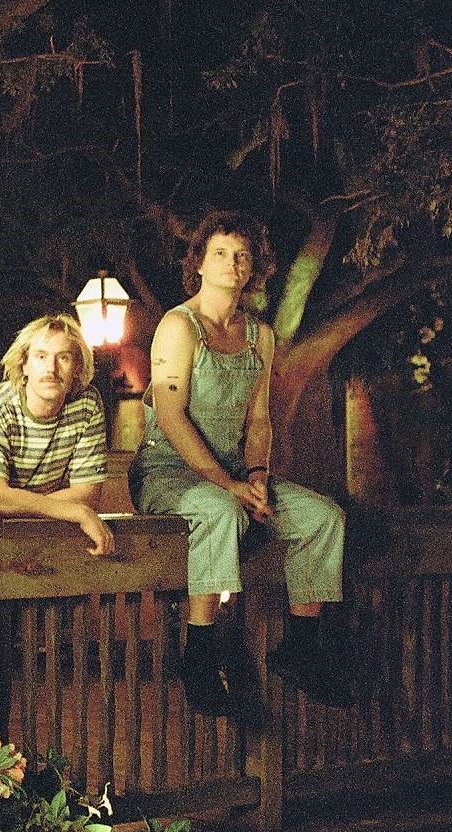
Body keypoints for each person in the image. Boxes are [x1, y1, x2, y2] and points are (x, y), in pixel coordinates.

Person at [130, 210, 349, 714]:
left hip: (233, 473)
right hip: (167, 471)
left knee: (323, 518)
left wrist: (256, 477)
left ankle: (301, 647)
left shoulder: (260, 336)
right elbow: (171, 415)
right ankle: (200, 656)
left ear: (254, 268)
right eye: (220, 253)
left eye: (242, 255)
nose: (232, 263)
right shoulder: (179, 326)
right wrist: (225, 485)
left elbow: (259, 421)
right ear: (199, 264)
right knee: (220, 511)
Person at [0, 314, 115, 557]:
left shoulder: (87, 404)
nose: (51, 369)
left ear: (77, 367)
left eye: (64, 357)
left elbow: (87, 495)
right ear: (24, 364)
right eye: (41, 356)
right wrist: (75, 512)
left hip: (27, 530)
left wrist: (10, 504)